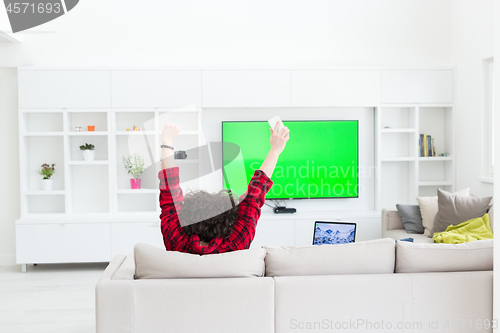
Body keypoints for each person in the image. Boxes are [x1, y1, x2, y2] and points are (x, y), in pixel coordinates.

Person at [158, 122, 290, 254]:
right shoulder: (236, 245)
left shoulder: (177, 243)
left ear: (186, 218)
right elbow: (255, 195)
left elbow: (170, 189)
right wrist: (275, 150)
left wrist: (167, 141)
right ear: (228, 221)